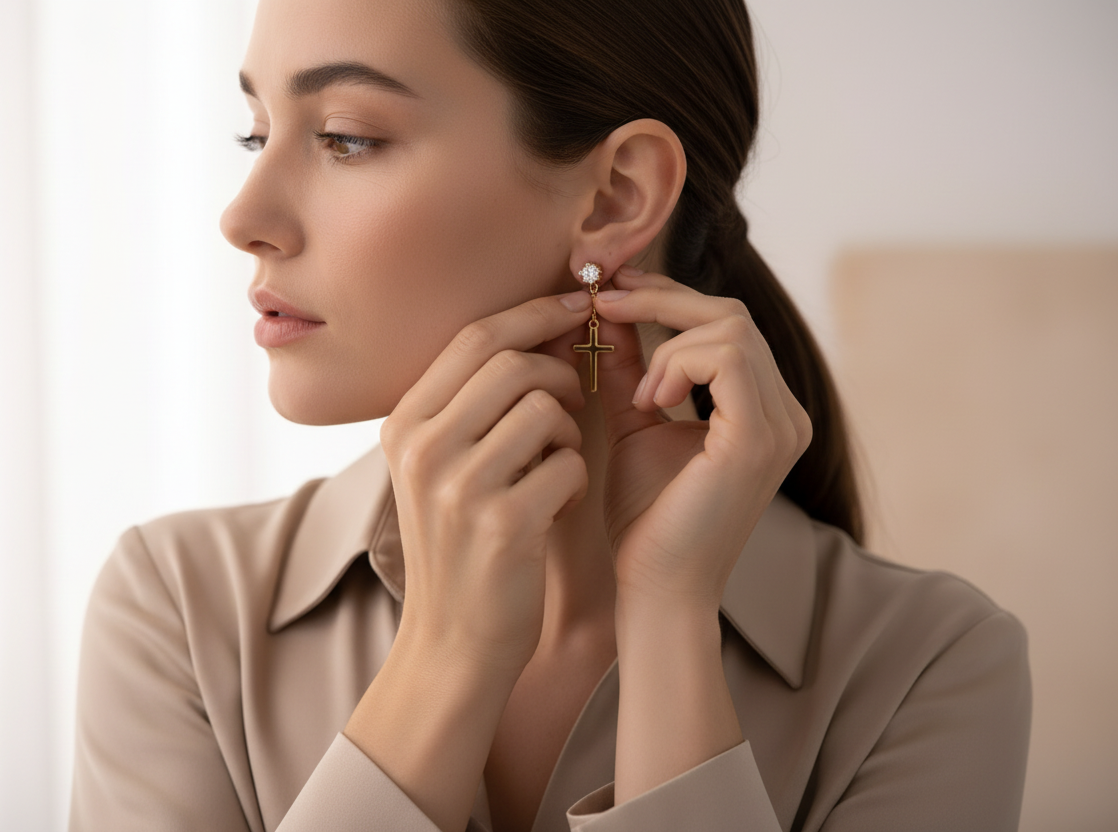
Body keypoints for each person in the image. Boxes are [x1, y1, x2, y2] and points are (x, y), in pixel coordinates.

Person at [68, 0, 1032, 830]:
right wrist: (447, 655)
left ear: (616, 196)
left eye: (346, 136)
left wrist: (670, 625)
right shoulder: (179, 612)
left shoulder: (928, 665)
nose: (242, 215)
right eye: (255, 132)